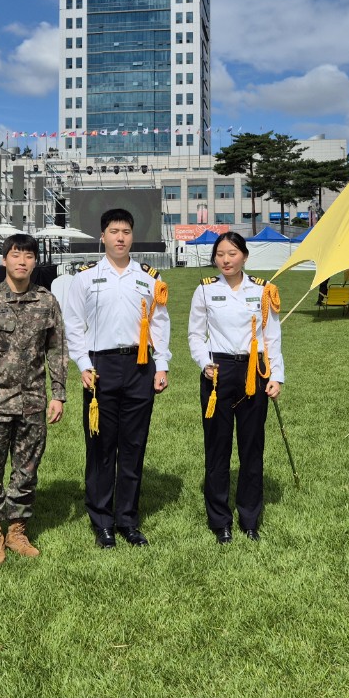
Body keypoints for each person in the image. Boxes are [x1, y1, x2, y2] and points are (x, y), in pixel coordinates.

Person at [63, 208, 170, 548]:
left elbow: (160, 322)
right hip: (100, 367)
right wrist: (83, 364)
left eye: (125, 231)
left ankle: (127, 520)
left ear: (132, 236)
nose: (120, 237)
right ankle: (102, 522)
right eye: (114, 231)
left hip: (140, 366)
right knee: (101, 447)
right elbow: (73, 324)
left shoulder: (149, 278)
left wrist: (162, 365)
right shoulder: (85, 277)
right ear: (103, 236)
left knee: (133, 446)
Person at [0, 233, 67, 567]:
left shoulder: (46, 302)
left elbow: (57, 350)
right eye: (16, 255)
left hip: (33, 402)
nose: (22, 261)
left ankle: (17, 530)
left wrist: (58, 394)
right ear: (4, 259)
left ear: (35, 261)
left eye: (29, 256)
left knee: (27, 470)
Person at [187, 232, 283, 543]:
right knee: (217, 448)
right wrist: (205, 362)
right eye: (220, 254)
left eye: (232, 253)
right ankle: (220, 521)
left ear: (244, 256)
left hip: (254, 371)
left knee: (252, 447)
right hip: (218, 372)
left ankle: (250, 519)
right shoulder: (205, 290)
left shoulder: (263, 290)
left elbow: (272, 336)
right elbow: (195, 335)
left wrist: (276, 376)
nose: (226, 260)